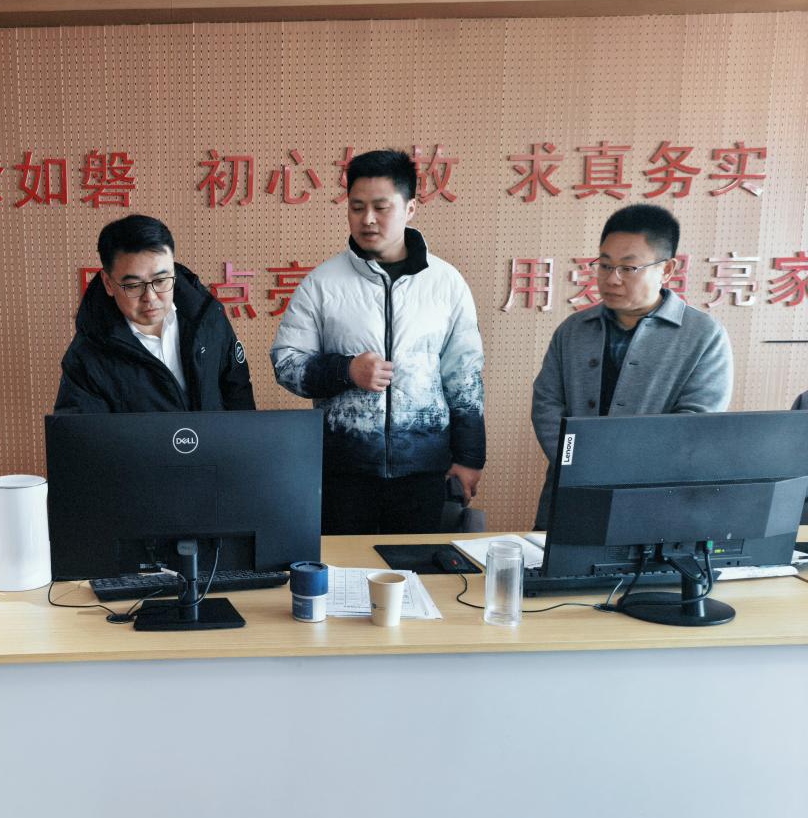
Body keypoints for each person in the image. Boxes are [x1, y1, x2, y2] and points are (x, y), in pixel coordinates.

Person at [270, 149, 486, 535]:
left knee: (416, 569)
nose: (367, 219)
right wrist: (345, 370)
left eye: (381, 207)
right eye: (357, 207)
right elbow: (286, 363)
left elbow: (465, 379)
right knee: (343, 570)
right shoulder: (322, 283)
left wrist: (470, 458)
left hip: (423, 470)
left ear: (410, 208)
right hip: (343, 472)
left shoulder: (446, 283)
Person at [531, 203, 733, 527]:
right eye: (605, 265)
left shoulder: (703, 335)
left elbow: (696, 422)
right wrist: (577, 468)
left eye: (628, 268)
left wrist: (624, 475)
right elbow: (547, 405)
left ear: (667, 269)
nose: (612, 279)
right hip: (569, 496)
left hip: (654, 505)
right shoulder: (573, 330)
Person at [54, 214, 255, 413]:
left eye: (160, 281)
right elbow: (83, 431)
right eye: (133, 285)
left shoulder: (207, 316)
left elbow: (237, 389)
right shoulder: (87, 355)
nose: (150, 297)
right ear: (108, 283)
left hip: (217, 437)